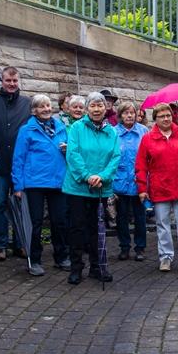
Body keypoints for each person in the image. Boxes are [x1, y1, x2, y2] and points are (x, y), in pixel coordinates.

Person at [62, 92, 120, 285]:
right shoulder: (77, 128)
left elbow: (115, 157)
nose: (96, 109)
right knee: (77, 228)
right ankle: (76, 268)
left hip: (101, 187)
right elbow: (73, 154)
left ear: (106, 109)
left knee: (98, 229)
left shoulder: (112, 131)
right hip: (78, 187)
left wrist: (102, 176)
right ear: (87, 109)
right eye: (93, 106)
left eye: (100, 106)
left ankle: (97, 266)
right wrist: (87, 176)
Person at [136, 103, 178, 272]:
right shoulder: (147, 139)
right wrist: (142, 188)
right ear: (155, 119)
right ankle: (165, 257)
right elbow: (141, 166)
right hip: (160, 187)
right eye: (161, 116)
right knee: (162, 223)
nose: (166, 119)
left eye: (168, 115)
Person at [12, 94, 70, 276]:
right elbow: (18, 158)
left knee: (59, 222)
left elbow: (72, 153)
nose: (46, 109)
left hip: (58, 181)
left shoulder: (61, 128)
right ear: (34, 111)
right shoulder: (26, 130)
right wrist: (18, 186)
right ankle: (34, 260)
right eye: (41, 106)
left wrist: (67, 150)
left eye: (47, 105)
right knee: (35, 223)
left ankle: (61, 257)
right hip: (34, 183)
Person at [0, 66, 31, 261]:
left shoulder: (28, 104)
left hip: (21, 166)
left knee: (20, 205)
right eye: (8, 81)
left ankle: (20, 244)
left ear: (19, 82)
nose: (11, 84)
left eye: (15, 81)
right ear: (2, 81)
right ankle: (0, 245)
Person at [113, 101, 149, 261]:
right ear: (120, 115)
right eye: (126, 113)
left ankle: (140, 248)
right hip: (120, 181)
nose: (129, 115)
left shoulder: (144, 131)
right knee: (122, 217)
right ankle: (124, 247)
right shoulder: (112, 132)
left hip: (138, 181)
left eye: (132, 113)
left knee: (140, 216)